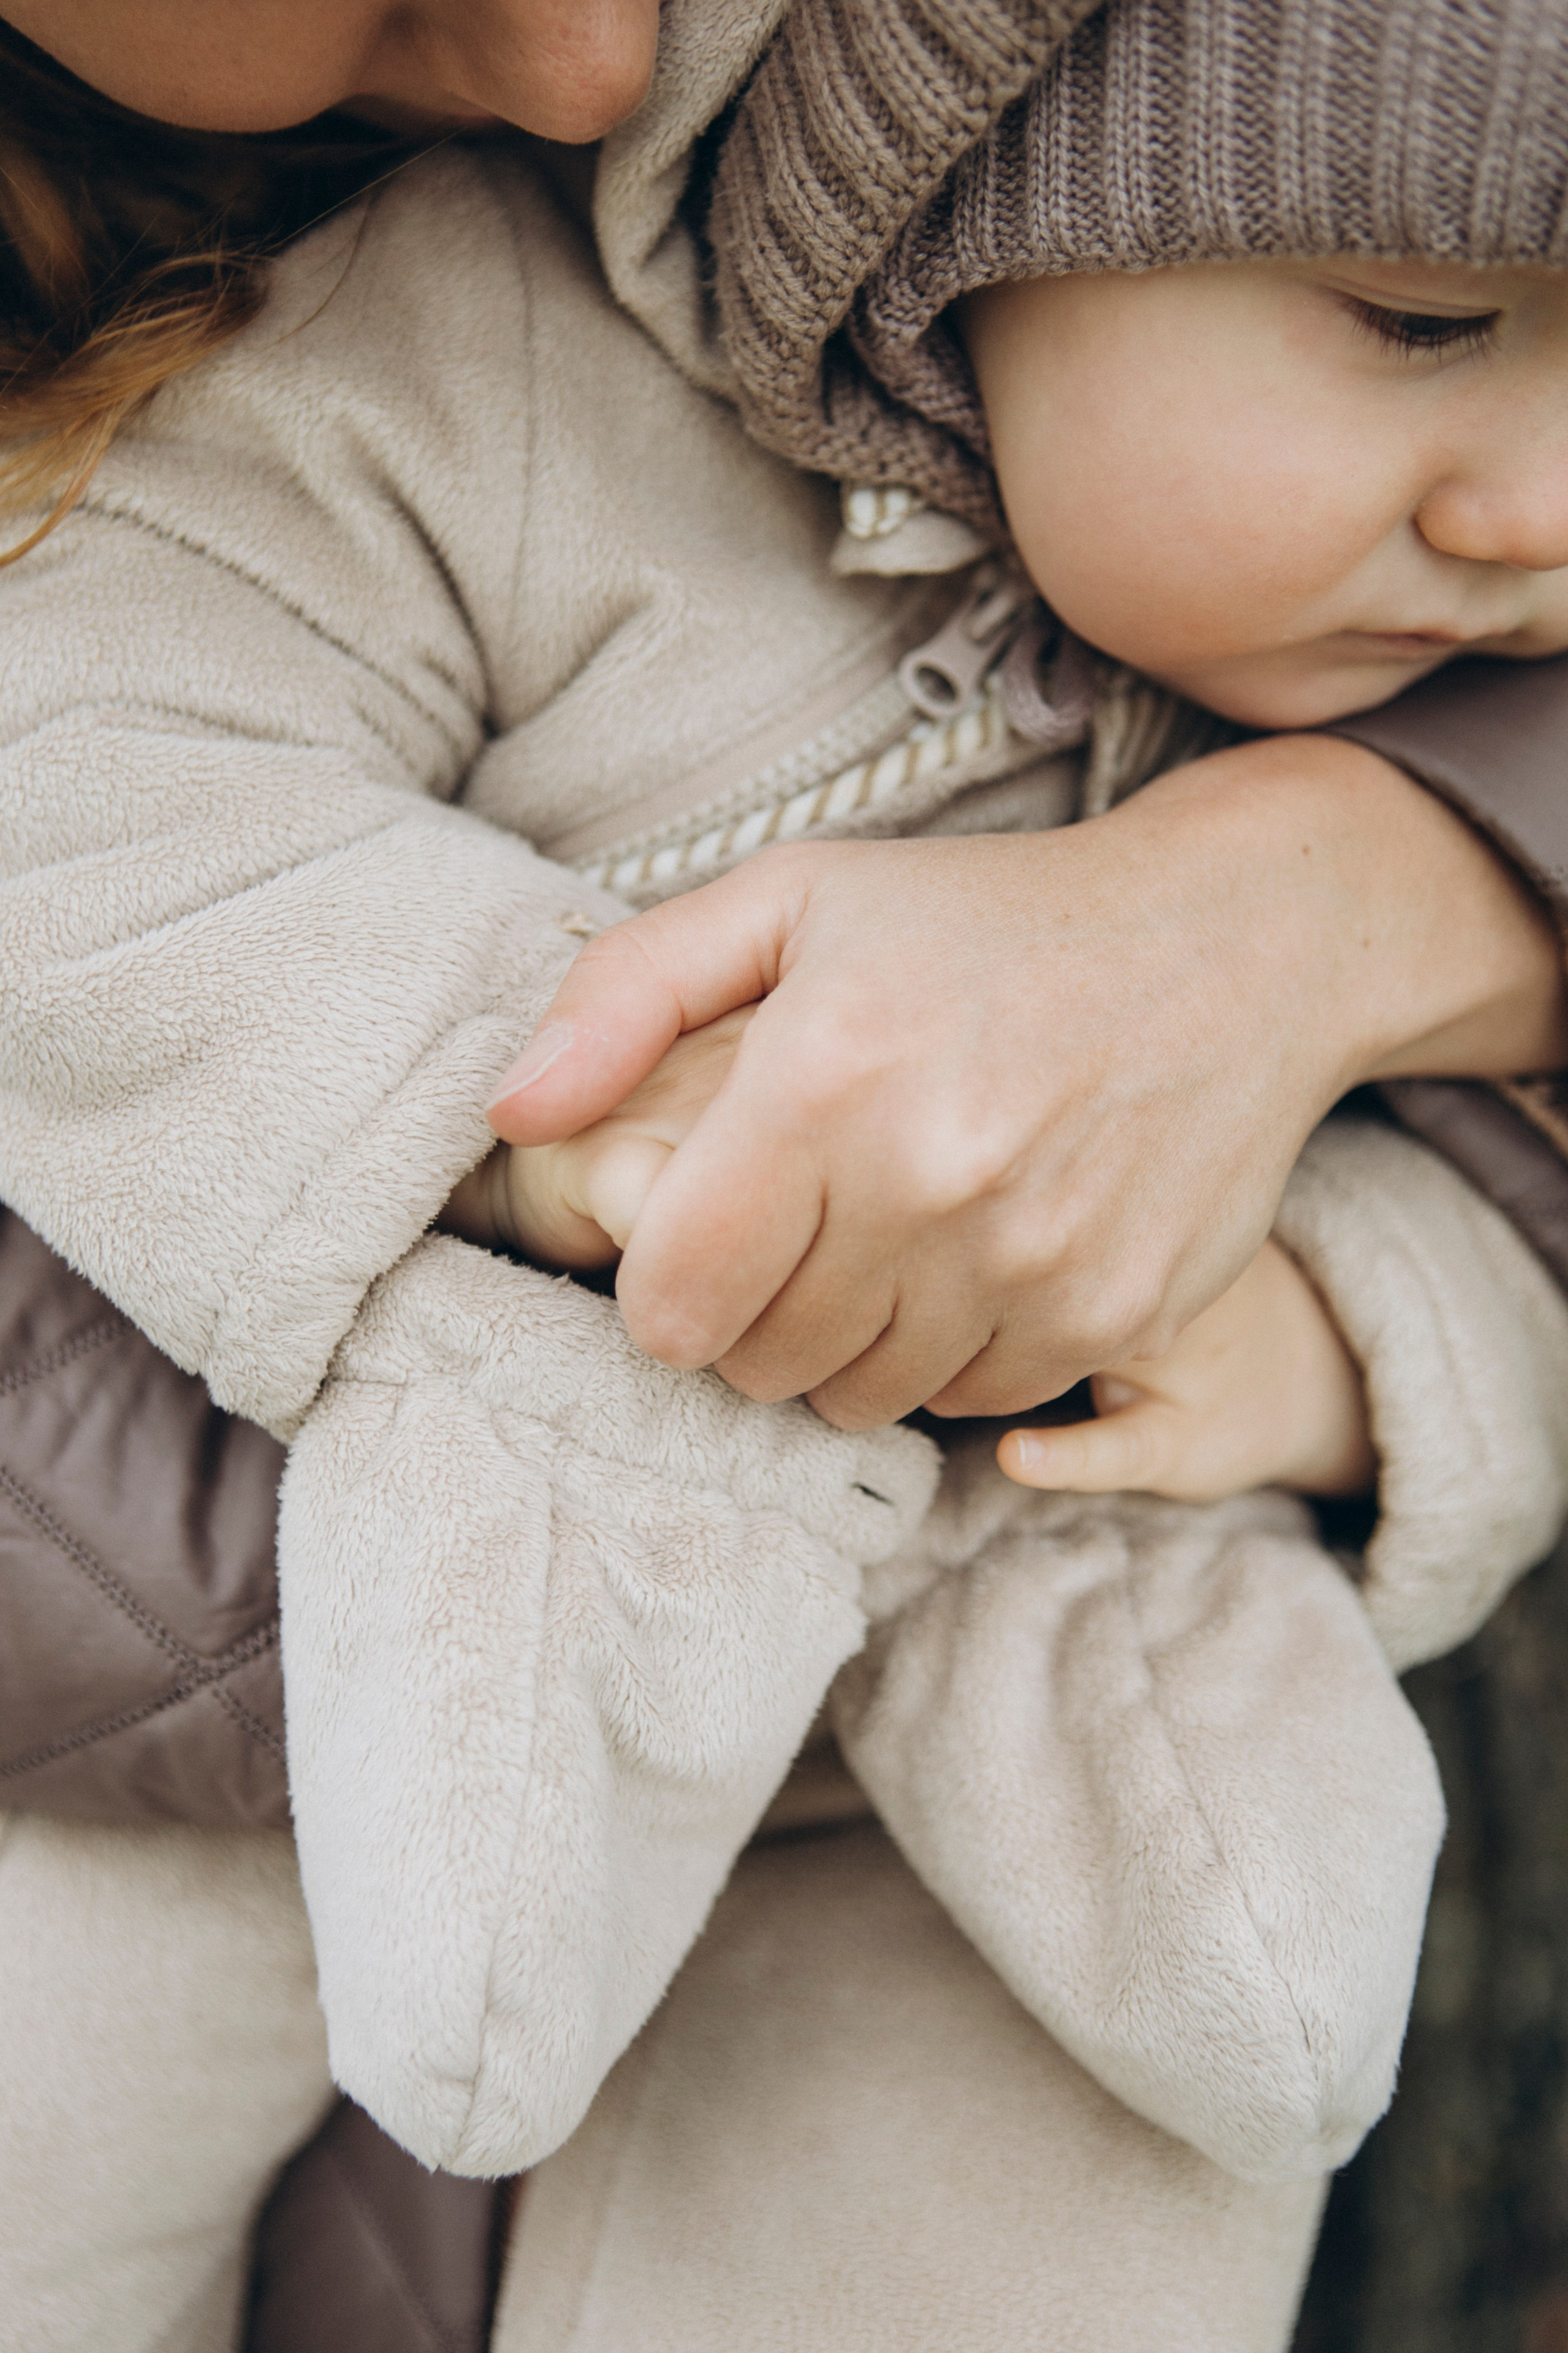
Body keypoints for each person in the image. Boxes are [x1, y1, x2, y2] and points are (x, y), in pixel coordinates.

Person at [4, 4, 1568, 2351]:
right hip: (292, 1633)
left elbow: (1513, 1212)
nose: (1539, 510)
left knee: (1043, 2220)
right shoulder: (494, 367)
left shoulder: (1383, 636)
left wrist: (1333, 1324)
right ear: (972, 225)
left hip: (1013, 1749)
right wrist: (554, 1099)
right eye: (1421, 321)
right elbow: (75, 767)